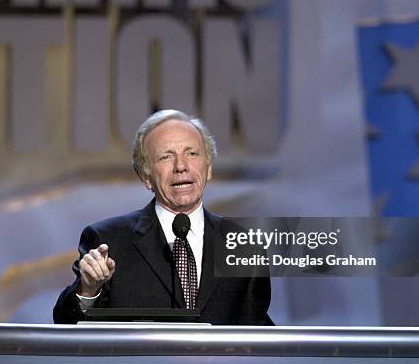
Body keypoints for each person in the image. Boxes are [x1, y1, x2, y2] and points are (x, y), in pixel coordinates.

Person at [53, 110, 273, 325]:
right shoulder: (108, 240)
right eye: (166, 156)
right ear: (145, 176)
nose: (180, 166)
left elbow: (257, 334)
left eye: (192, 154)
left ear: (208, 168)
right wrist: (89, 289)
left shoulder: (244, 245)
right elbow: (66, 324)